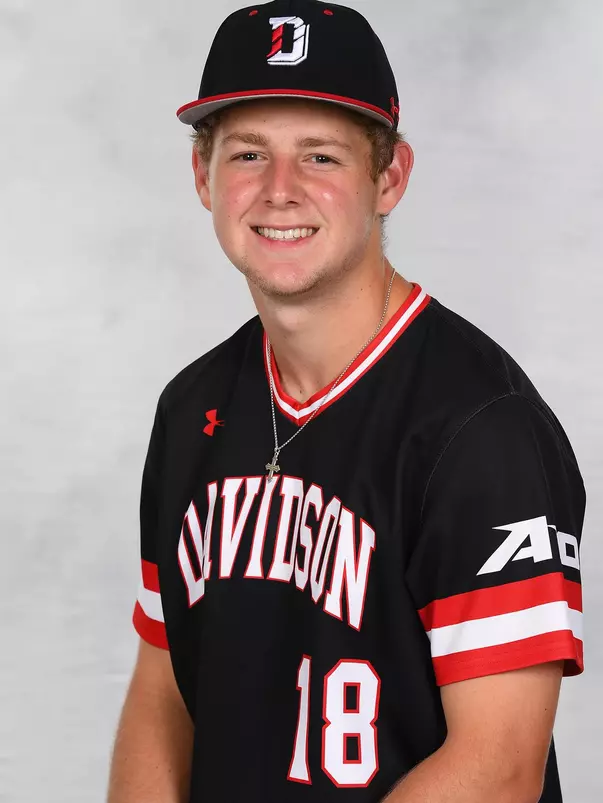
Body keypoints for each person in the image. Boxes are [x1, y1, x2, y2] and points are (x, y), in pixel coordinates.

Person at [107, 1, 586, 801]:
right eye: (248, 154)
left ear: (388, 176)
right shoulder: (190, 406)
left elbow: (498, 766)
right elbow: (163, 688)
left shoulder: (480, 428)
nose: (279, 190)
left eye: (321, 157)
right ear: (203, 176)